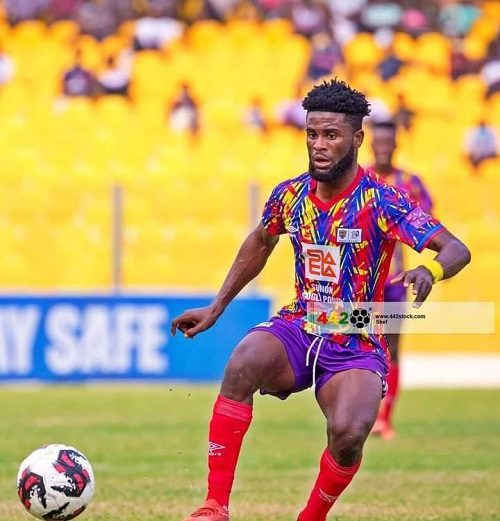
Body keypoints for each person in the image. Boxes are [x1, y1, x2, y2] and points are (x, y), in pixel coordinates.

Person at [171, 79, 471, 521]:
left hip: (357, 332)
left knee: (348, 433)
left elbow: (456, 249)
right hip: (303, 321)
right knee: (242, 363)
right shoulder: (290, 195)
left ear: (357, 139)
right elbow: (261, 241)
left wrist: (431, 270)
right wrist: (216, 307)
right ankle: (214, 506)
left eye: (331, 135)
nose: (318, 145)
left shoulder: (383, 200)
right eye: (312, 134)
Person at [368, 120, 433, 440]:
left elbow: (427, 223)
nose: (383, 148)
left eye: (388, 142)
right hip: (362, 282)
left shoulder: (410, 182)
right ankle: (361, 415)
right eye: (378, 142)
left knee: (392, 347)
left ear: (395, 145)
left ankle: (385, 419)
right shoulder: (360, 179)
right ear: (370, 144)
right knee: (360, 345)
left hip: (393, 282)